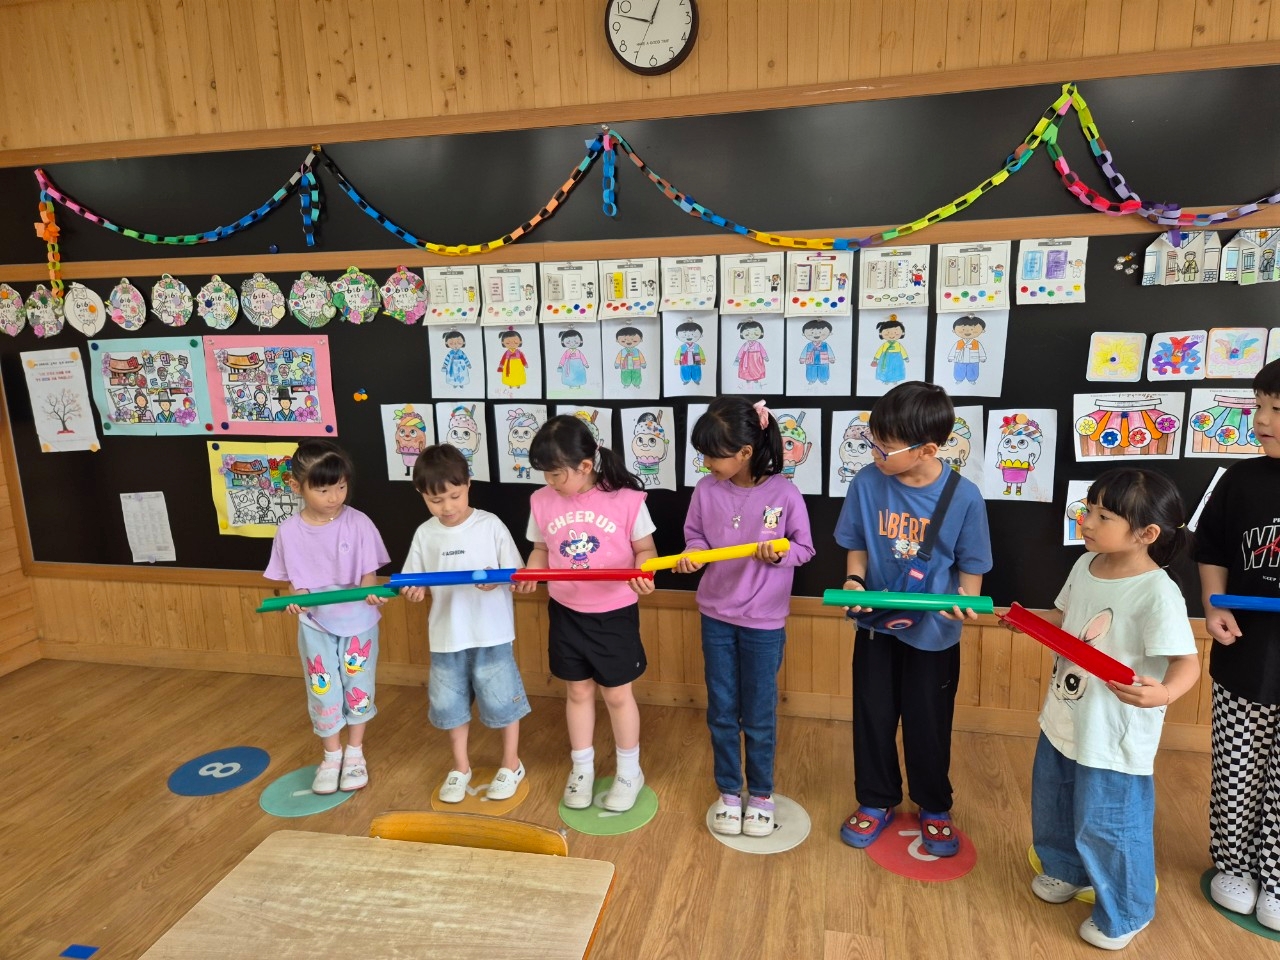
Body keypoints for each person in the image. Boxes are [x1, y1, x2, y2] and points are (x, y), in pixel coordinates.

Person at [1026, 468, 1199, 950]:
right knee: (1054, 801)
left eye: (1104, 516)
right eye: (1089, 508)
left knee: (1110, 822)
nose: (1086, 521)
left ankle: (1126, 910)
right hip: (1065, 715)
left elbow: (1187, 662)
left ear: (1146, 534)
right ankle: (1066, 869)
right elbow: (1065, 620)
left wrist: (1164, 694)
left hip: (1115, 731)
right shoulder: (1086, 565)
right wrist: (1025, 622)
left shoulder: (1157, 590)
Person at [834, 381, 991, 856]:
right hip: (876, 625)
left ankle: (934, 805)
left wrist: (966, 600)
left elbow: (973, 564)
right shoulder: (867, 483)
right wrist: (854, 580)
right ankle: (876, 798)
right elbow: (856, 543)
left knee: (929, 722)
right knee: (873, 715)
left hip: (935, 632)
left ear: (927, 450)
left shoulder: (964, 496)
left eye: (885, 448)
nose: (875, 453)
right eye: (873, 442)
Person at [678, 397, 815, 836]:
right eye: (703, 453)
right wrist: (693, 555)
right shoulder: (706, 490)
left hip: (764, 622)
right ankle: (728, 791)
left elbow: (804, 549)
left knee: (758, 714)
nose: (706, 463)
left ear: (745, 452)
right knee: (721, 710)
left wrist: (779, 554)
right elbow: (695, 536)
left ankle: (761, 794)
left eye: (713, 454)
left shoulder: (785, 494)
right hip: (716, 616)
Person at [523, 415, 657, 812]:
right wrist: (531, 571)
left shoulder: (627, 500)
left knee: (616, 694)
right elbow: (541, 549)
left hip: (613, 613)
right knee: (577, 691)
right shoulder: (541, 501)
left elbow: (646, 550)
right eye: (545, 474)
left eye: (556, 474)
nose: (550, 481)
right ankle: (581, 767)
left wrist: (643, 572)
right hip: (566, 610)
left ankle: (629, 771)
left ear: (585, 465)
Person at [1197, 357, 1280, 932]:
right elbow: (1212, 550)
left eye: (1277, 409)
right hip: (1246, 651)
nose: (1263, 420)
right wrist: (1214, 605)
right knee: (1238, 767)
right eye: (1259, 406)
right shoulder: (1240, 481)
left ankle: (1276, 876)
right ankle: (1234, 866)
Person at [400, 445, 530, 803]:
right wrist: (415, 592)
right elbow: (413, 581)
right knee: (448, 706)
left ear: (468, 485)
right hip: (446, 636)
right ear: (421, 494)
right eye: (435, 500)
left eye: (454, 496)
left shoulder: (490, 525)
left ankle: (511, 764)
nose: (447, 507)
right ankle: (460, 767)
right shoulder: (425, 534)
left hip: (492, 634)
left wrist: (498, 579)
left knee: (502, 703)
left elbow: (516, 574)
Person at [264, 439, 390, 795]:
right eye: (323, 490)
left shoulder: (359, 523)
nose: (335, 497)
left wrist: (369, 592)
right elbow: (295, 584)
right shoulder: (289, 532)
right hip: (316, 623)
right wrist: (298, 601)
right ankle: (331, 756)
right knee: (323, 688)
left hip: (359, 623)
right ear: (296, 486)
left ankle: (355, 753)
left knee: (358, 687)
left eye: (341, 487)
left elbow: (369, 575)